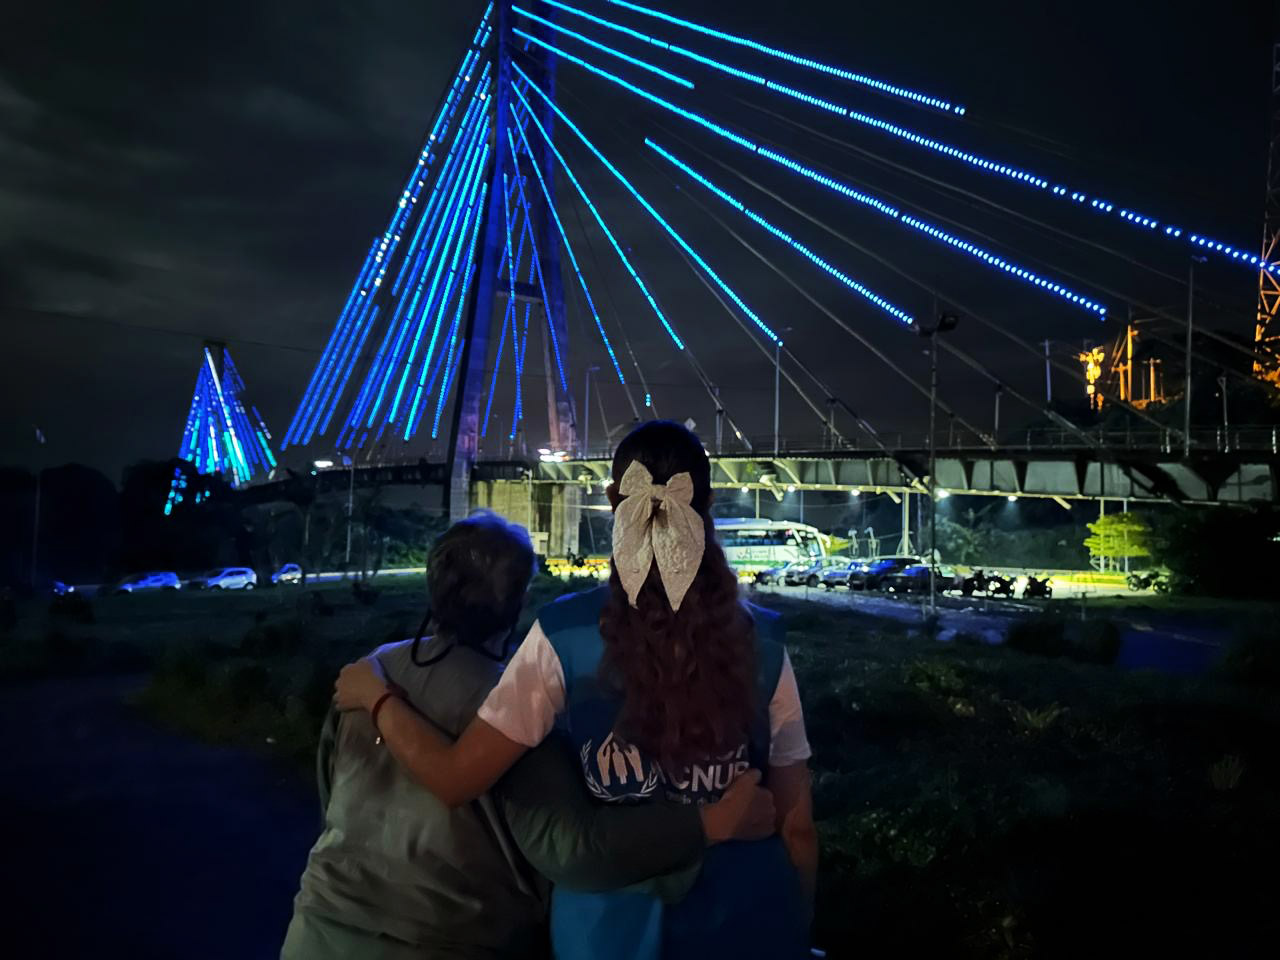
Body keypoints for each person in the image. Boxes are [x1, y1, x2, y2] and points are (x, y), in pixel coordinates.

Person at [337, 422, 817, 959]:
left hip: (609, 935)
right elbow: (797, 827)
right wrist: (796, 928)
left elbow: (455, 779)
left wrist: (376, 696)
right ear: (706, 504)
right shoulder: (766, 641)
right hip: (748, 926)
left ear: (614, 503)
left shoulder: (562, 635)